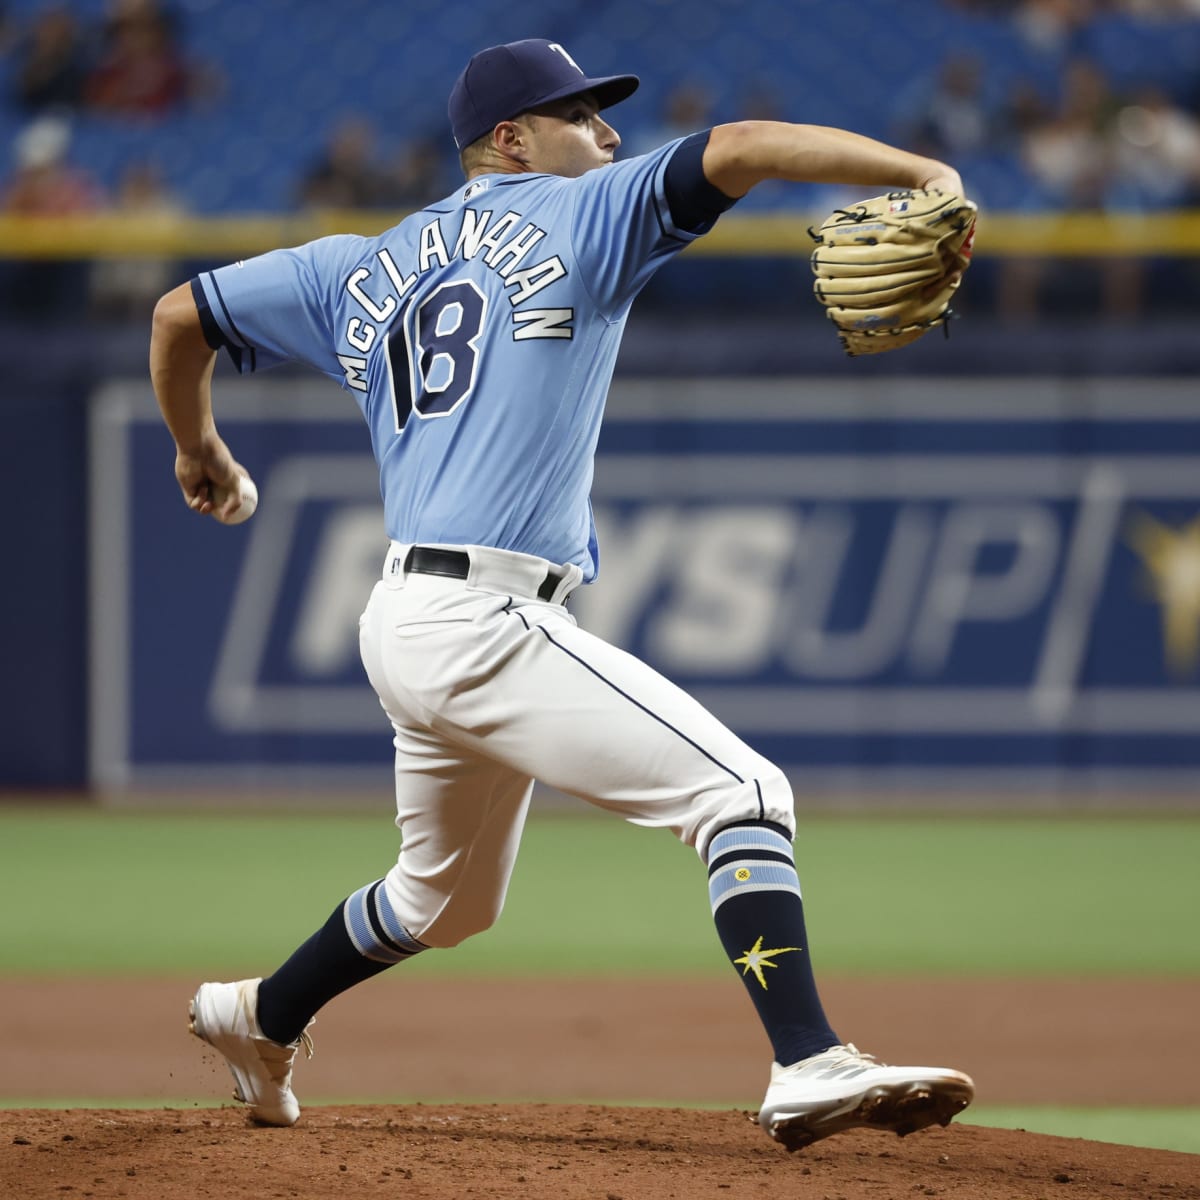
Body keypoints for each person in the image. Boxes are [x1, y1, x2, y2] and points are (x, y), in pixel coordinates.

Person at [150, 38, 975, 1152]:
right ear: (513, 139)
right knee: (745, 795)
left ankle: (259, 1016)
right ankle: (808, 1060)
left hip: (401, 617)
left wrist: (200, 451)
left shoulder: (355, 263)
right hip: (483, 618)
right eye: (584, 116)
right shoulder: (581, 215)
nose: (610, 137)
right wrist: (925, 173)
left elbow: (177, 315)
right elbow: (742, 146)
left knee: (445, 903)